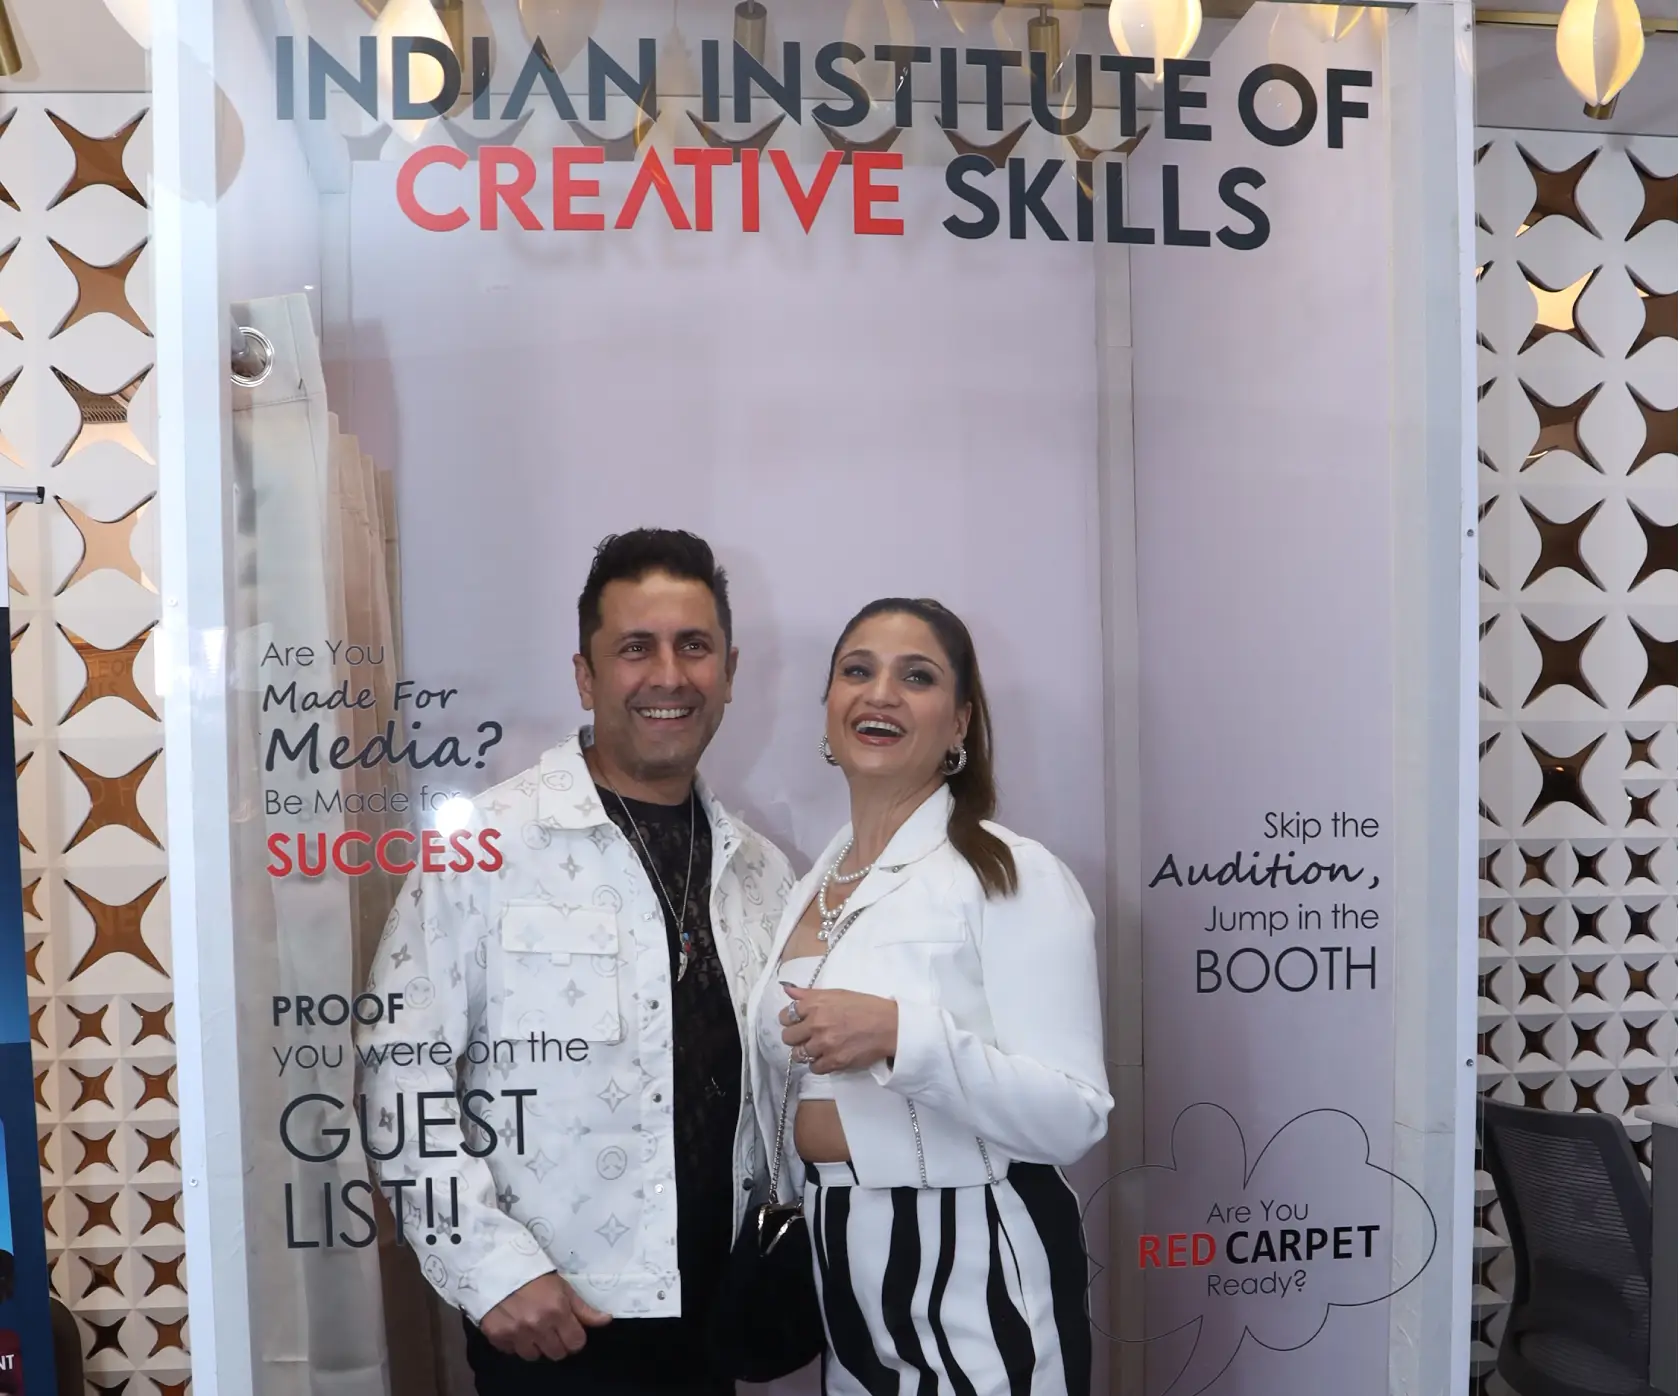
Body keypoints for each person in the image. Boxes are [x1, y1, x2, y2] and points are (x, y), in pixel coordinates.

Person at [357, 529, 793, 1396]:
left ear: (729, 672)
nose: (668, 675)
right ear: (586, 676)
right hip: (556, 1330)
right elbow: (398, 1070)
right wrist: (489, 1271)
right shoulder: (487, 845)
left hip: (718, 1325)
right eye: (635, 648)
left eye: (693, 646)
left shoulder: (763, 872)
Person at [746, 597, 1111, 1396]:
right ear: (828, 706)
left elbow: (1074, 1115)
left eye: (916, 677)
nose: (880, 693)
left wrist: (902, 1037)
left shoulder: (1009, 873)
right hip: (837, 1255)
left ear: (959, 723)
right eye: (857, 670)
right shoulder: (808, 883)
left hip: (974, 1254)